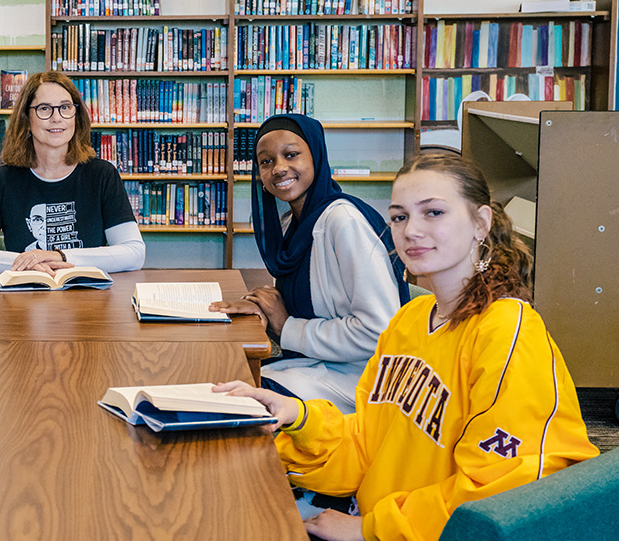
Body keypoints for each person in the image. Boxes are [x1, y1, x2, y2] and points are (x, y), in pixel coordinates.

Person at [215, 153, 598, 541]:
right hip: (369, 516)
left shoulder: (509, 332)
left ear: (480, 223)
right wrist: (299, 416)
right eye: (399, 217)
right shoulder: (409, 319)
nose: (411, 230)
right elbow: (366, 444)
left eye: (433, 213)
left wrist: (369, 529)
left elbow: (503, 490)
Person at [210, 114, 408, 412]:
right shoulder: (294, 222)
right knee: (217, 379)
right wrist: (263, 308)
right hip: (313, 365)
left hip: (358, 379)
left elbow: (378, 332)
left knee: (230, 400)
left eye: (291, 155)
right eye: (265, 162)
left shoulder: (343, 221)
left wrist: (286, 325)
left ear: (316, 156)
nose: (278, 169)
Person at [0, 71, 145, 274]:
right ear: (26, 119)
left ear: (76, 116)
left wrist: (61, 256)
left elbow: (134, 253)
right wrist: (29, 262)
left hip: (88, 298)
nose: (56, 118)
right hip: (23, 298)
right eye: (44, 109)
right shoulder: (4, 180)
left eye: (65, 107)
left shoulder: (102, 175)